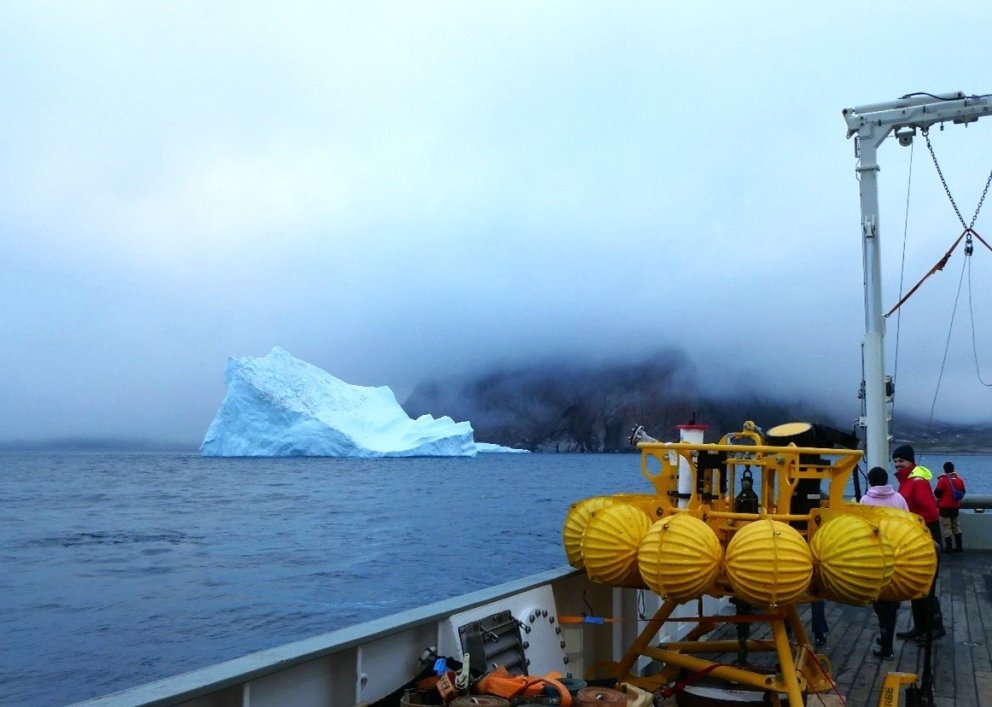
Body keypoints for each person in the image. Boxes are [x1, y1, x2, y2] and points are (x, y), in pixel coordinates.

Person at [891, 444, 945, 644]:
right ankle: (920, 627)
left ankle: (936, 627)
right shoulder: (905, 481)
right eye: (896, 461)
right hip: (914, 538)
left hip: (927, 536)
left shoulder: (918, 482)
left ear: (911, 461)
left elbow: (931, 512)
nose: (898, 464)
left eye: (901, 460)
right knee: (915, 584)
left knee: (926, 585)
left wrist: (910, 522)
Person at [861, 466, 909, 659]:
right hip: (898, 552)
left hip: (877, 554)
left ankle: (886, 646)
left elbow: (862, 527)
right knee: (891, 598)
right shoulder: (898, 498)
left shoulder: (866, 500)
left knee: (881, 601)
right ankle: (886, 638)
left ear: (871, 481)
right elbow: (908, 522)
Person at [934, 461, 966, 553]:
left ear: (944, 469)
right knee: (956, 526)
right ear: (953, 469)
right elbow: (963, 491)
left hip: (944, 508)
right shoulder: (959, 479)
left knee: (946, 527)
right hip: (955, 507)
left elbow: (937, 493)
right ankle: (959, 546)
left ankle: (949, 547)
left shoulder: (943, 480)